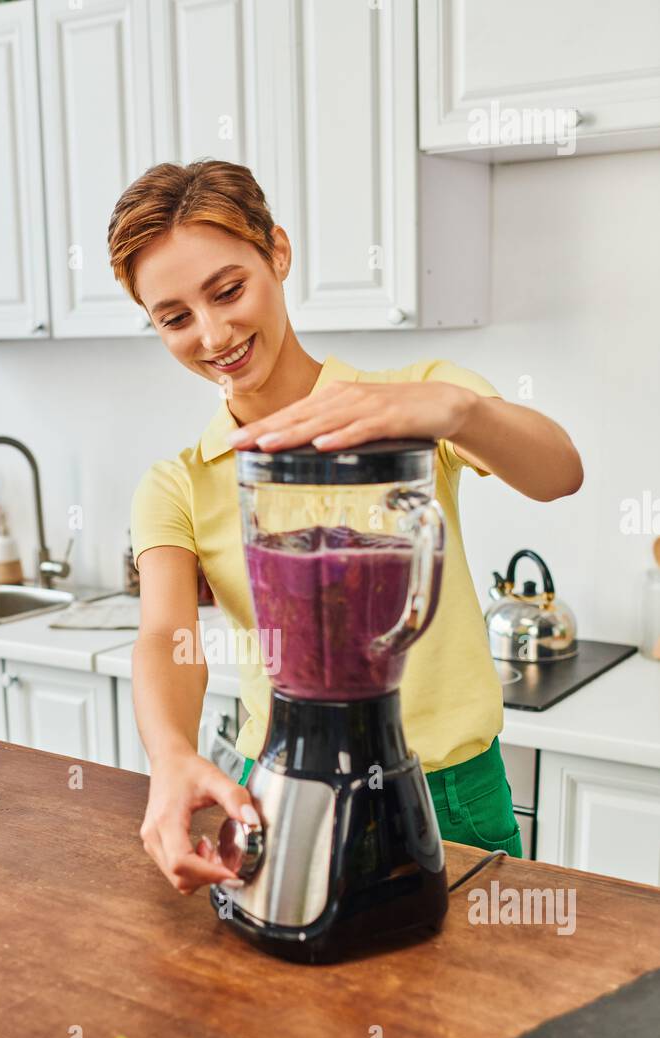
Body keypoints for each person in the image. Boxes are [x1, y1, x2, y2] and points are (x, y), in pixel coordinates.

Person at [107, 159, 582, 897]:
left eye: (229, 290)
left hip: (452, 790)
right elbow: (167, 638)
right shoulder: (181, 481)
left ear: (279, 253)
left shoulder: (415, 401)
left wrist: (455, 409)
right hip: (284, 790)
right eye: (174, 318)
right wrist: (170, 755)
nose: (213, 332)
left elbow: (559, 473)